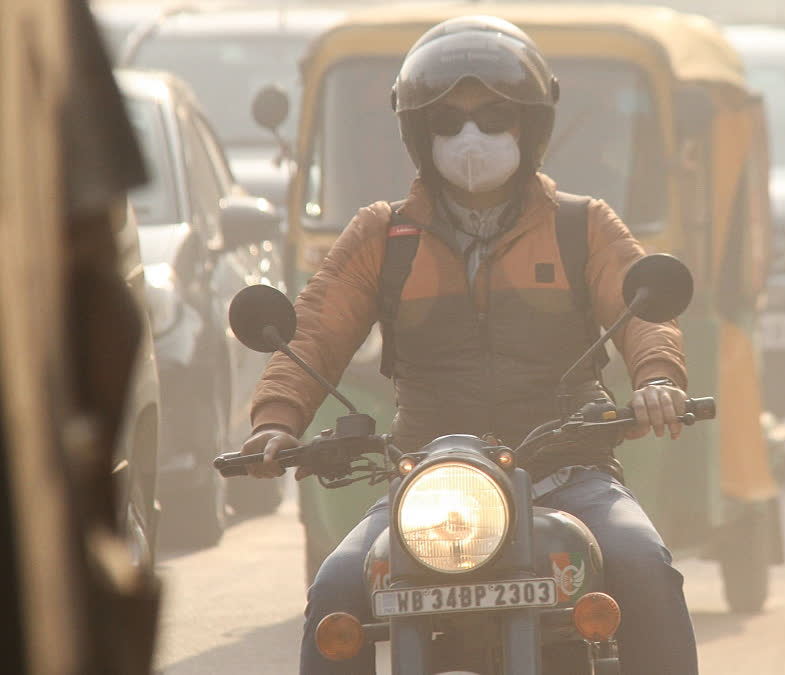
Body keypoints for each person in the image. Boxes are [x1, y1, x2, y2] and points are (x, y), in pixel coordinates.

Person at [239, 15, 699, 675]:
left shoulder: (584, 225)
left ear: (530, 127)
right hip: (427, 479)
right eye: (448, 122)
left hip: (568, 474)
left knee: (644, 567)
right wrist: (276, 422)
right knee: (336, 588)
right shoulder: (382, 235)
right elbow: (315, 326)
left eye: (493, 116)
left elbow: (642, 309)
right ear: (420, 136)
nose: (471, 136)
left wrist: (658, 378)